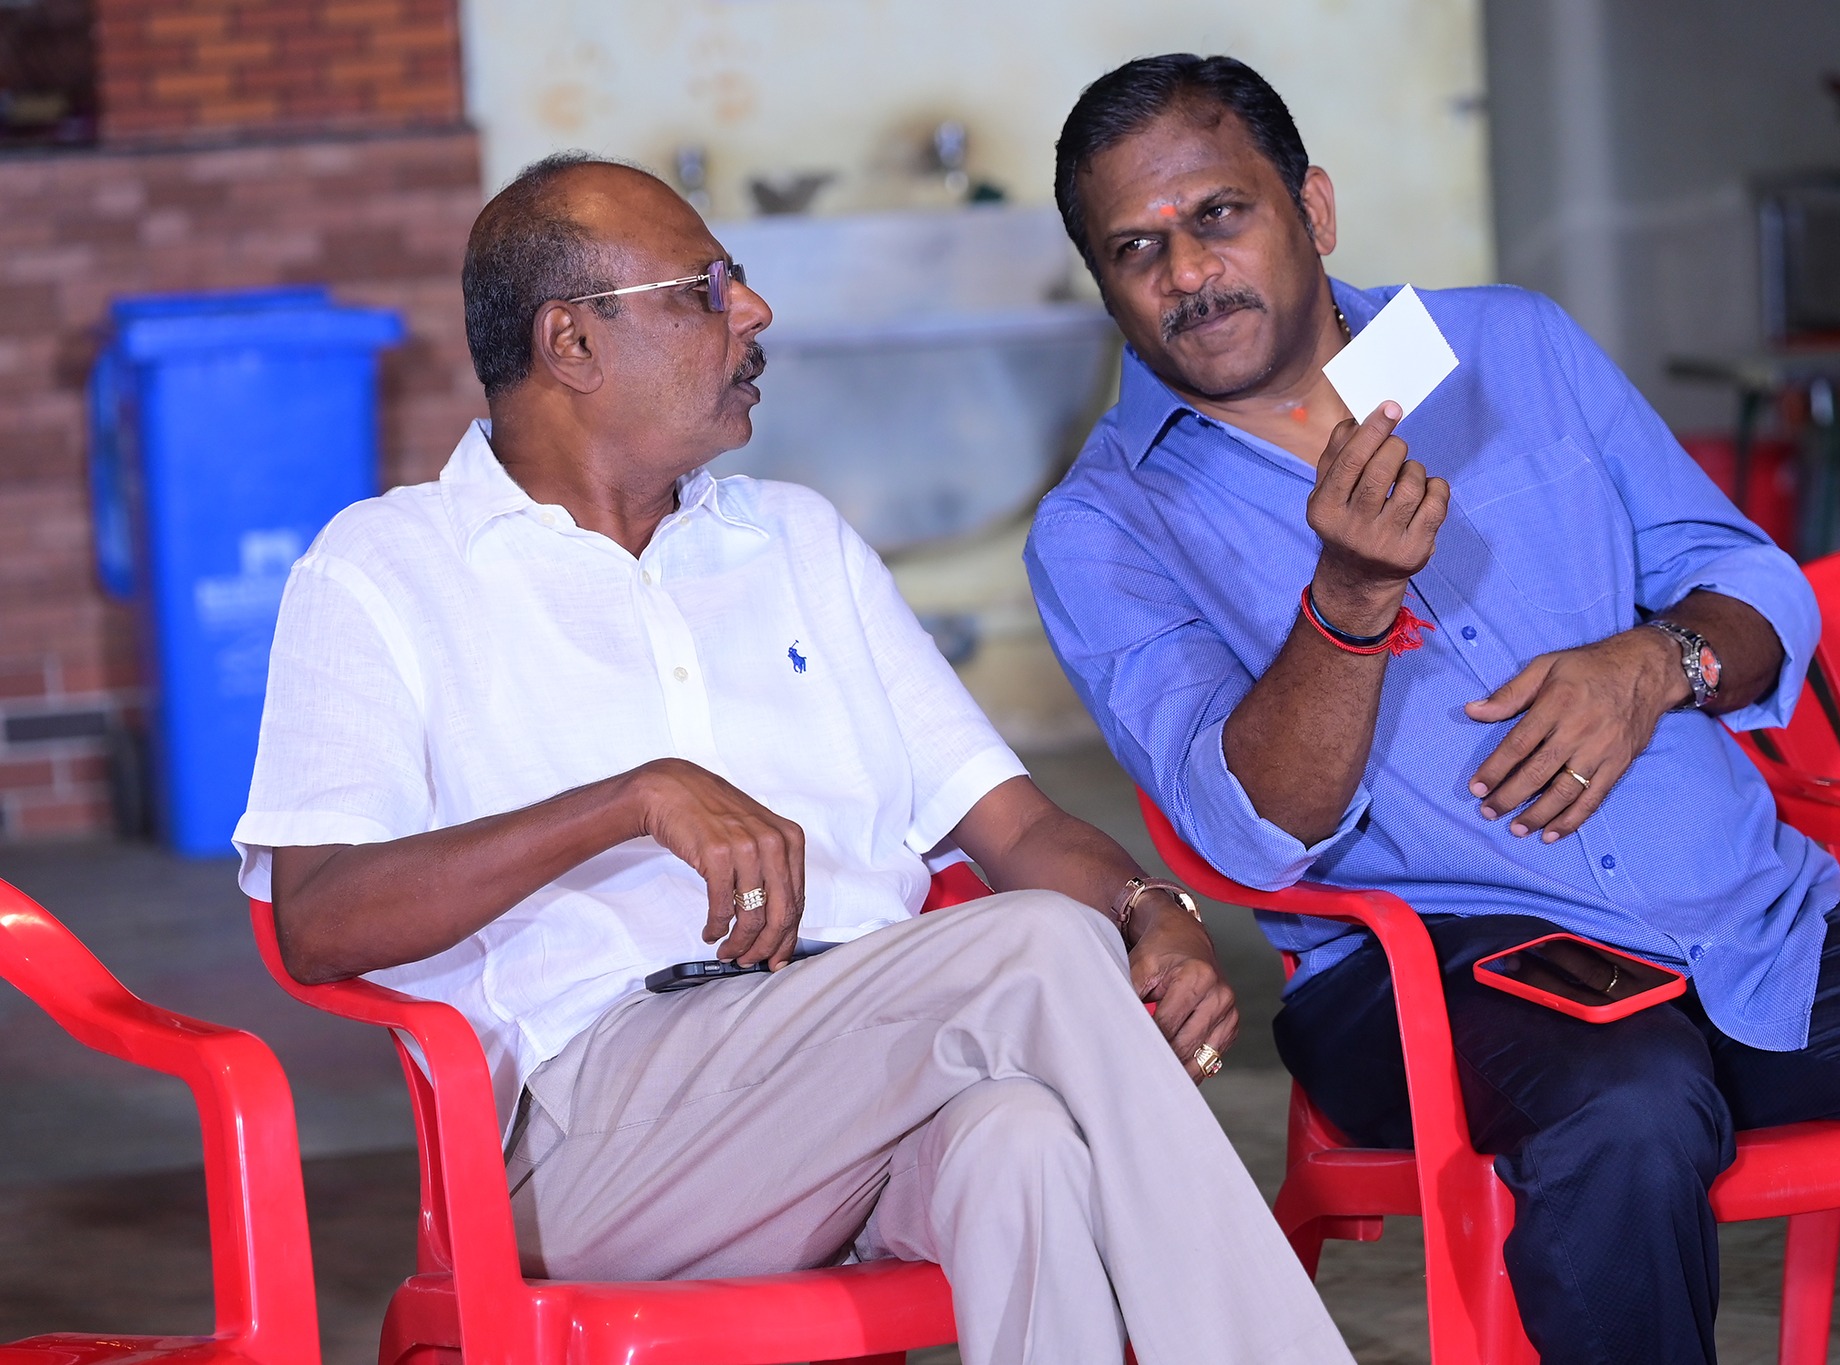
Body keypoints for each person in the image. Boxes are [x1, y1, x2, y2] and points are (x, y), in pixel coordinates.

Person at [232, 152, 1354, 1365]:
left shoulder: (797, 542)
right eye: (702, 290)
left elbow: (1018, 829)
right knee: (1034, 948)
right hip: (600, 1142)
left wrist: (1149, 911)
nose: (753, 312)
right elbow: (319, 919)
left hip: (875, 1075)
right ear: (571, 342)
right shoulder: (387, 569)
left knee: (1020, 1145)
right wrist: (629, 801)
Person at [1026, 53, 1840, 1365]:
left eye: (1218, 213)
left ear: (1312, 208)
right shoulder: (1102, 524)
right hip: (1436, 967)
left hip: (1744, 913)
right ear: (1104, 280)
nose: (1186, 271)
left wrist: (1654, 662)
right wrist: (1346, 603)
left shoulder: (1509, 347)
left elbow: (1750, 583)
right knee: (1628, 1109)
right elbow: (1249, 829)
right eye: (1136, 247)